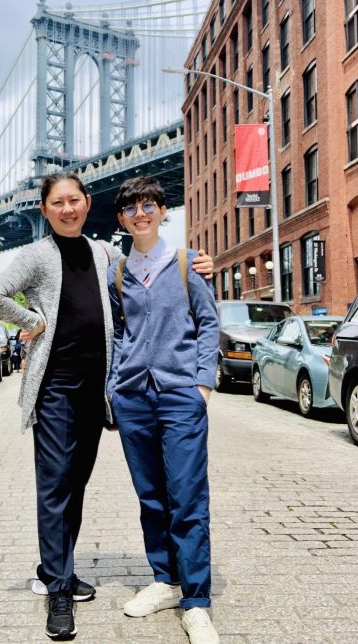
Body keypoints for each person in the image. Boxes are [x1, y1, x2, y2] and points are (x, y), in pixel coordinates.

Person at [0, 172, 214, 641]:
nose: (67, 209)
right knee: (57, 487)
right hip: (59, 389)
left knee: (80, 484)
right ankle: (58, 589)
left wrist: (202, 262)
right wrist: (34, 321)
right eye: (56, 203)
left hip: (102, 392)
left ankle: (76, 572)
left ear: (88, 204)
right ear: (43, 210)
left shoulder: (108, 255)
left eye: (74, 201)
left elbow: (163, 287)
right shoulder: (35, 255)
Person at [107, 176, 220, 644]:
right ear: (121, 218)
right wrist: (115, 386)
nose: (141, 213)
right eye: (131, 207)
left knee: (187, 498)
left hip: (180, 396)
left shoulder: (188, 263)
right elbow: (118, 332)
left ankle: (196, 601)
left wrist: (202, 386)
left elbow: (210, 323)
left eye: (149, 205)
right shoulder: (117, 271)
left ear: (163, 211)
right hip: (133, 397)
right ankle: (164, 579)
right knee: (151, 496)